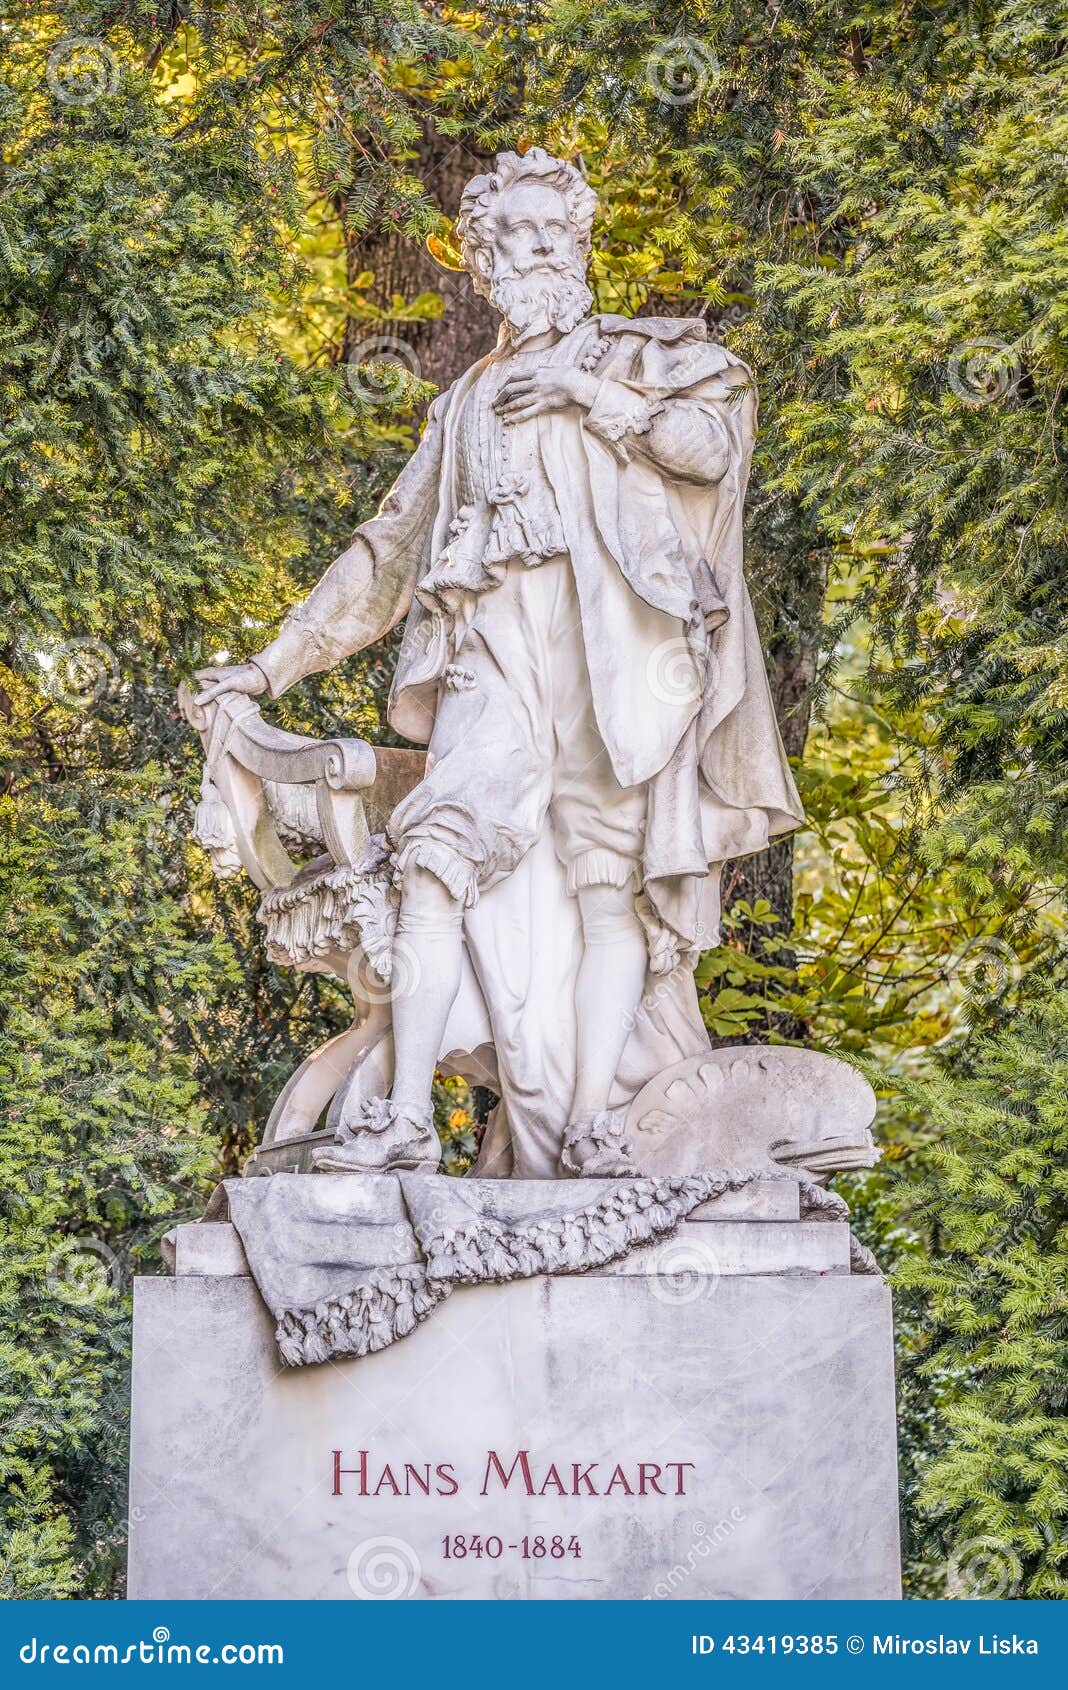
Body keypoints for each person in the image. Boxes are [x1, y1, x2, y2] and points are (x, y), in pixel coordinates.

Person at [194, 149, 803, 1179]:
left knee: (611, 895)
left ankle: (593, 1129)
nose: (532, 251)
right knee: (433, 856)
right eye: (508, 237)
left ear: (579, 245)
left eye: (549, 233)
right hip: (491, 663)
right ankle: (402, 1122)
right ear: (480, 263)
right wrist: (269, 666)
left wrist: (589, 396)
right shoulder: (464, 402)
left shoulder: (638, 358)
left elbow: (712, 450)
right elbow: (384, 554)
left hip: (618, 673)